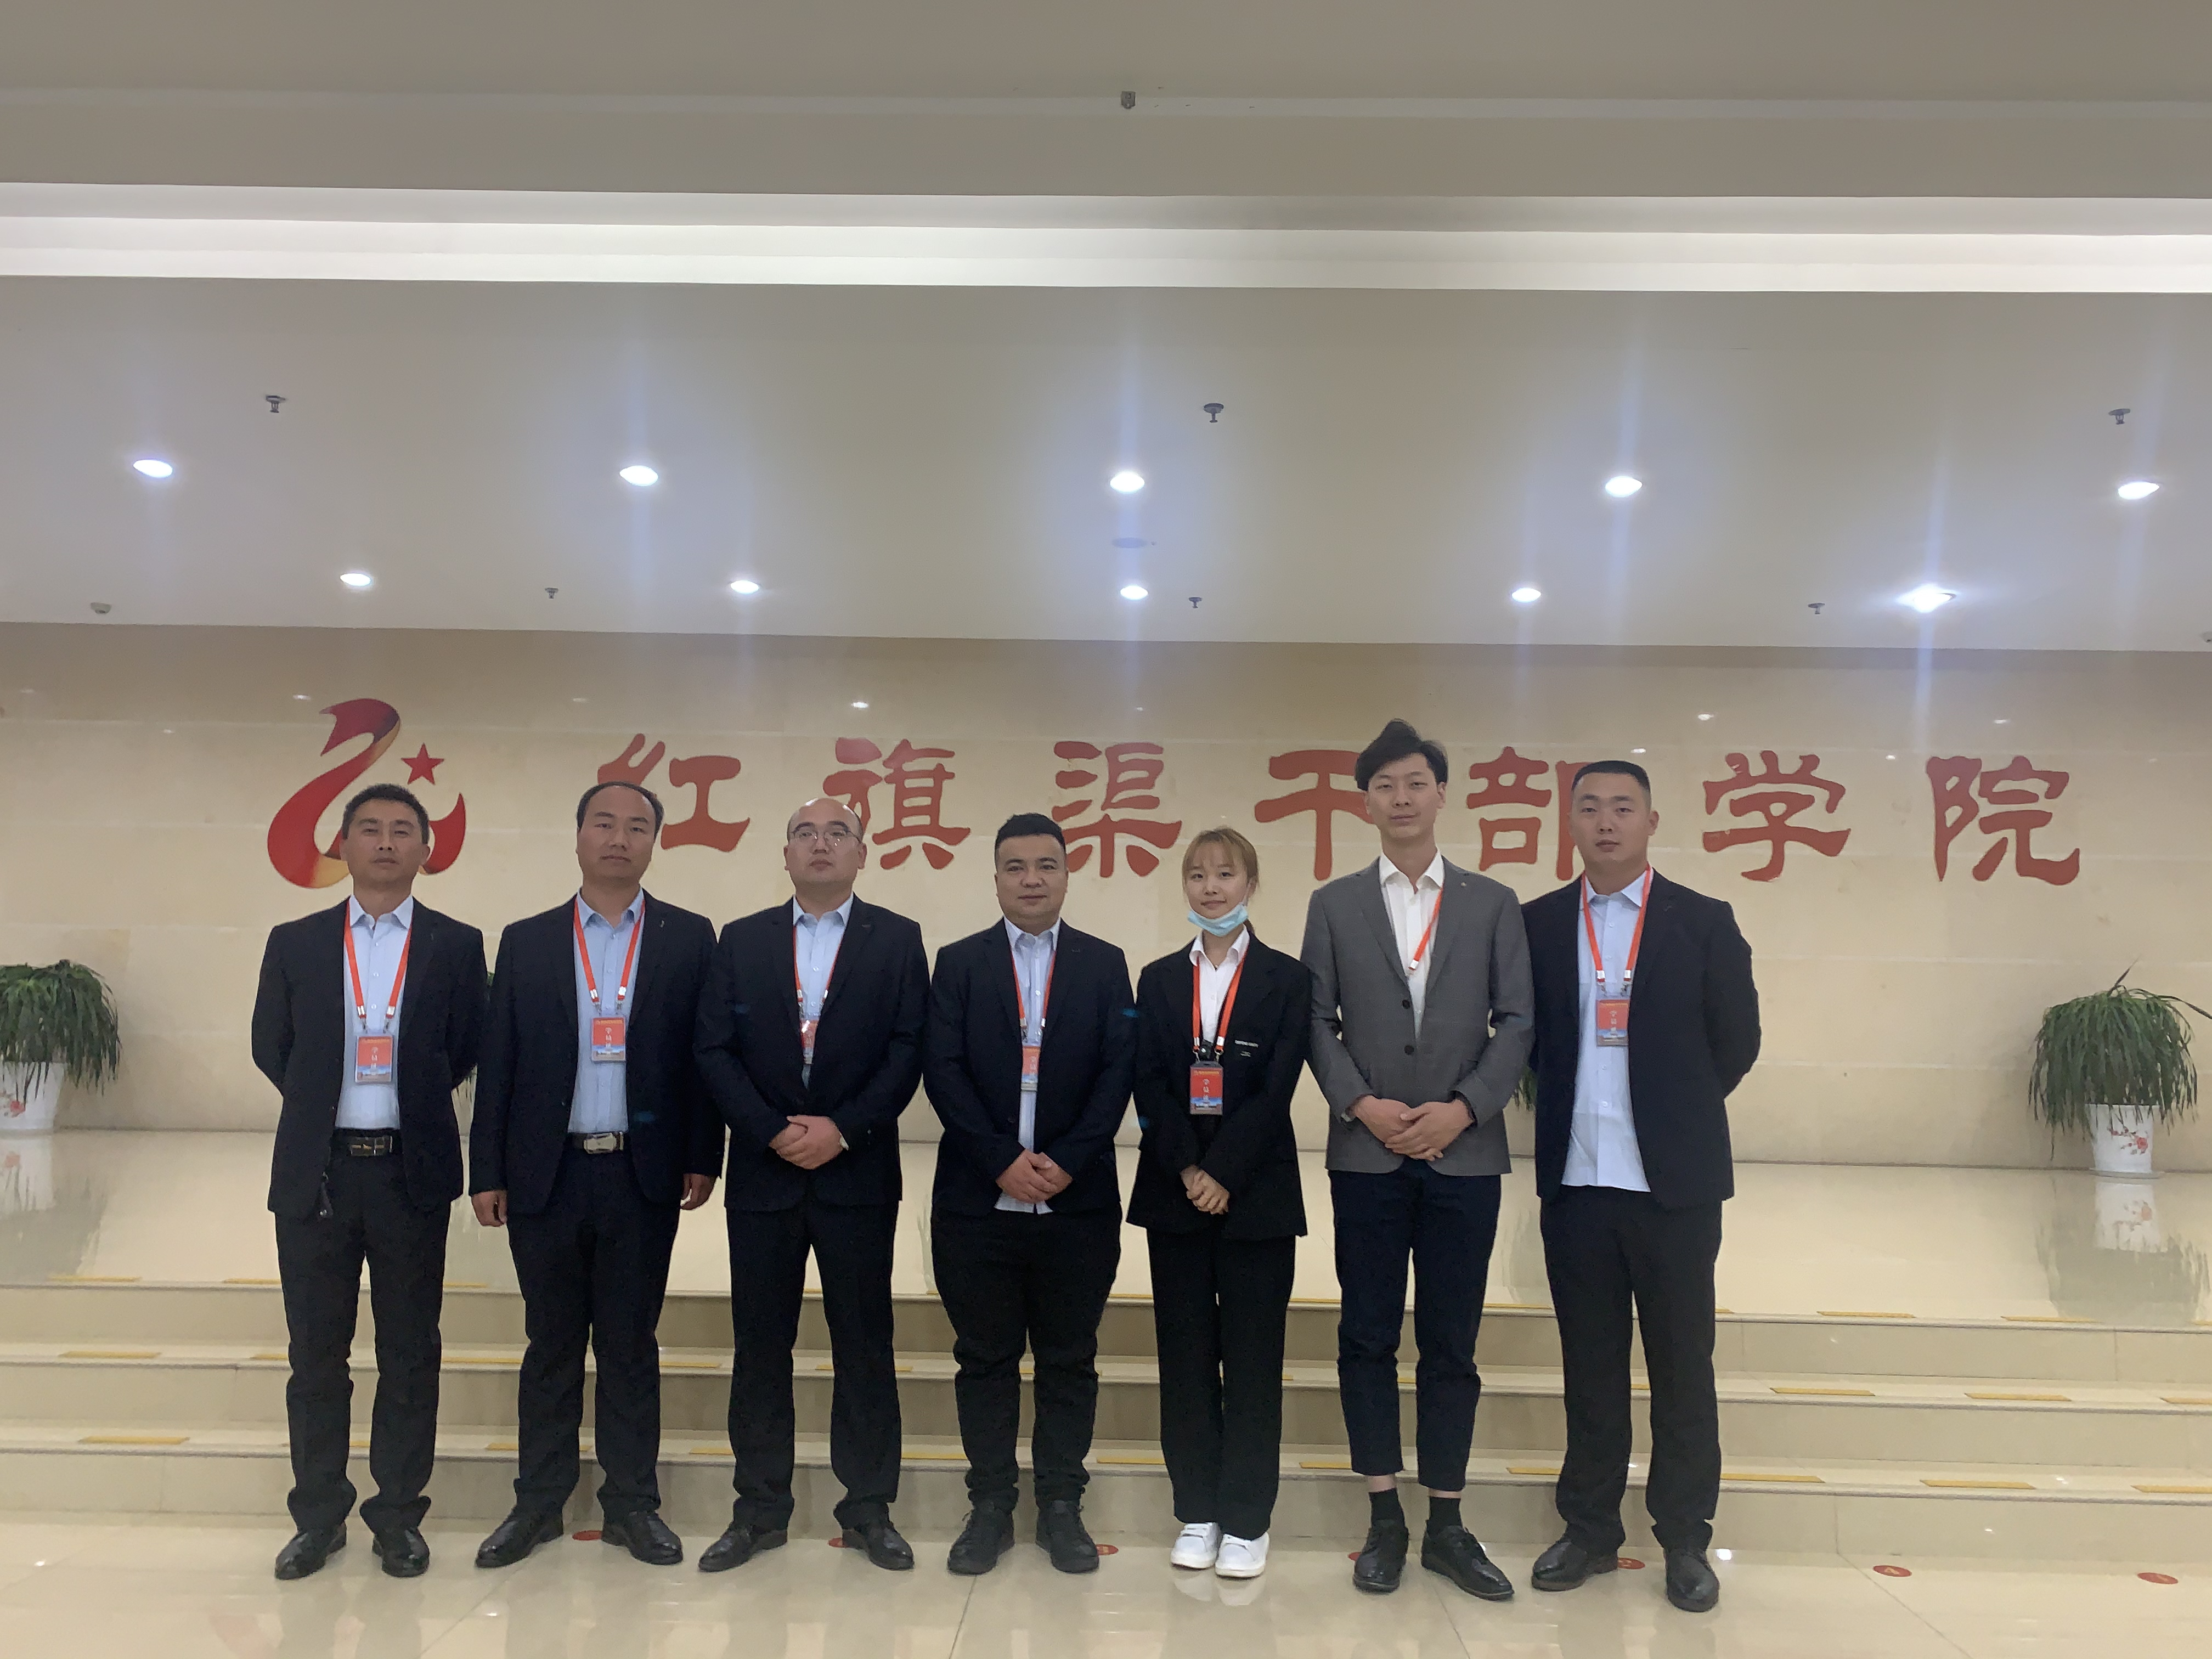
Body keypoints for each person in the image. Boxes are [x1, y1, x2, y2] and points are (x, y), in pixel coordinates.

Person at [1520, 761, 1759, 1615]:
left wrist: (1673, 1111)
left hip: (1675, 1189)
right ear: (1571, 822)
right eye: (1590, 807)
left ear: (1652, 821)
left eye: (1624, 807)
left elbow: (1737, 1040)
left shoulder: (1703, 920)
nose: (1606, 822)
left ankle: (1685, 1540)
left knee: (1682, 1367)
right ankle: (1589, 1531)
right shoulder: (1540, 924)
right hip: (1579, 1184)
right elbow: (1527, 1039)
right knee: (1590, 1368)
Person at [1302, 718, 1533, 1601]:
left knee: (1451, 1341)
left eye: (1415, 783)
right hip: (1366, 1153)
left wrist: (1464, 1108)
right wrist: (1360, 1103)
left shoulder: (1491, 903)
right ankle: (1383, 1519)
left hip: (1463, 1156)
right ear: (1365, 802)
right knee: (1365, 1335)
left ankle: (1447, 1522)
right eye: (1384, 786)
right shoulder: (1334, 904)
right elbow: (1314, 1019)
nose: (1400, 798)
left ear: (1441, 794)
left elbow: (1518, 1019)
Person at [467, 780, 721, 1568]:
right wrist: (487, 1168)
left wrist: (702, 1154)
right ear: (577, 836)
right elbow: (499, 1061)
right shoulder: (528, 940)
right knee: (550, 1343)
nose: (619, 838)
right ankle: (538, 1504)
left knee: (630, 1343)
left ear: (654, 842)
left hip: (642, 1173)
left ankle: (632, 1505)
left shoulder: (689, 937)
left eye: (637, 826)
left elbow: (702, 1058)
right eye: (604, 823)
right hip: (545, 1173)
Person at [250, 783, 487, 1582]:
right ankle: (318, 1517)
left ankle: (398, 1516)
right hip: (316, 1175)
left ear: (427, 849)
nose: (387, 842)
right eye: (371, 829)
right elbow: (271, 1044)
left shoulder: (457, 945)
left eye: (403, 830)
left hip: (408, 1172)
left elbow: (464, 1046)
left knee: (410, 1351)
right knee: (317, 1354)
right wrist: (325, 1099)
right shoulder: (296, 941)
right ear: (344, 845)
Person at [693, 798, 930, 1573]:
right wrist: (770, 1130)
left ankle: (868, 1510)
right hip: (765, 1174)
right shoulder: (742, 939)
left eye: (837, 834)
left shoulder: (897, 939)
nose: (820, 844)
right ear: (786, 854)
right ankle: (759, 1510)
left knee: (865, 1343)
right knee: (761, 1345)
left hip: (857, 1172)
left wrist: (843, 1129)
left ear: (863, 853)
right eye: (804, 833)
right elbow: (714, 1049)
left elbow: (908, 1049)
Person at [923, 812, 1136, 1576]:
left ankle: (1061, 1507)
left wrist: (1068, 1161)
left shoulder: (1105, 963)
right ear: (996, 879)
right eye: (1015, 867)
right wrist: (1001, 1161)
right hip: (978, 1203)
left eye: (1046, 865)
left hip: (1076, 1204)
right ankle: (989, 1506)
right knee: (984, 1359)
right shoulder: (959, 963)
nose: (1032, 879)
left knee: (1070, 1359)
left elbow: (1119, 1069)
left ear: (1067, 874)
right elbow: (942, 1069)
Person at [1130, 827, 1310, 1582]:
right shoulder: (1158, 979)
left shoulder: (1287, 978)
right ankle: (1197, 1511)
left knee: (1254, 1359)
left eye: (1226, 874)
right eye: (1198, 875)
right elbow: (1149, 1081)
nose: (1211, 888)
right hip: (1175, 1194)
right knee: (1185, 1358)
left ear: (1250, 885)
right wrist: (1187, 1167)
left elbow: (1277, 1088)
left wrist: (1224, 1171)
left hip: (1257, 1193)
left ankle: (1247, 1519)